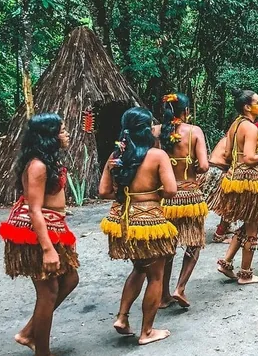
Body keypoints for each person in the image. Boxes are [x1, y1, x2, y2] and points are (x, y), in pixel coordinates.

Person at [0, 113, 79, 356]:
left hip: (52, 227)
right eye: (61, 130)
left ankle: (28, 333)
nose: (66, 134)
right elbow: (34, 210)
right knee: (48, 292)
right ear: (49, 136)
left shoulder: (47, 162)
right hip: (36, 233)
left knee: (70, 279)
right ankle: (42, 351)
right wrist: (47, 249)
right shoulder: (37, 165)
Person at [99, 107, 178, 345]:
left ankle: (122, 318)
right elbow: (172, 190)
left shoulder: (116, 156)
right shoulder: (157, 156)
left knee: (139, 268)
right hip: (150, 222)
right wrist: (151, 194)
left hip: (123, 222)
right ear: (146, 129)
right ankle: (147, 332)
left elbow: (103, 191)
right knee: (156, 275)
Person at [153, 93, 209, 309]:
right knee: (194, 242)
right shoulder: (194, 131)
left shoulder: (155, 131)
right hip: (189, 196)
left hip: (164, 197)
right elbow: (203, 166)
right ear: (186, 112)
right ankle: (180, 287)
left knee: (168, 247)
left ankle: (163, 295)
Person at [215, 89, 258, 284]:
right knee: (253, 228)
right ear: (247, 107)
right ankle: (245, 273)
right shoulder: (250, 128)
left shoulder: (235, 125)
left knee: (247, 224)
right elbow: (249, 158)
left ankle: (226, 262)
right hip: (249, 181)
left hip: (235, 179)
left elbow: (226, 155)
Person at [204, 136, 233, 244]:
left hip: (213, 170)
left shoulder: (228, 138)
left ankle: (226, 227)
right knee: (231, 202)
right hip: (216, 171)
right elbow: (230, 156)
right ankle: (219, 234)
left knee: (204, 202)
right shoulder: (234, 139)